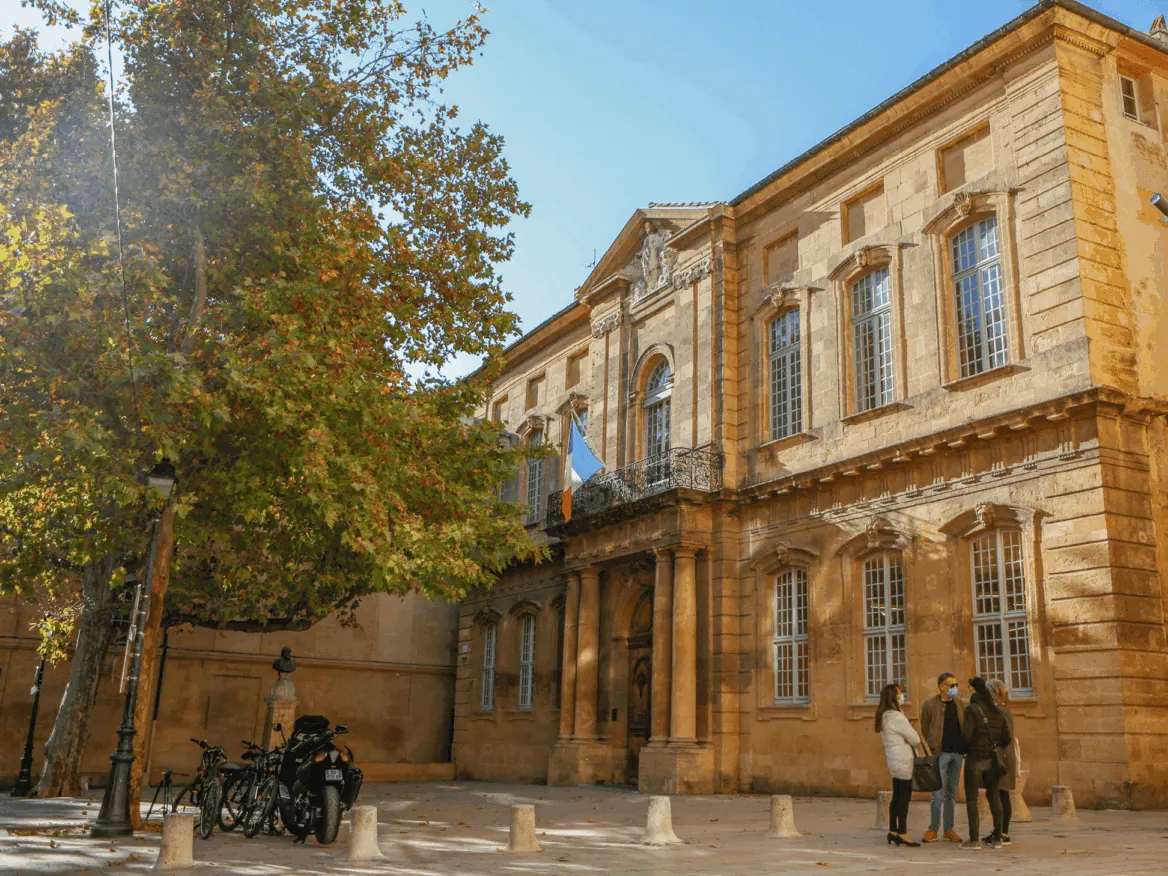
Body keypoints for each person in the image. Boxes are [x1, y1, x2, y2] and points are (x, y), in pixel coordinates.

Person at [960, 676, 1012, 850]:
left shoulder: (972, 710)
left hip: (975, 759)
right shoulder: (998, 711)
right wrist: (995, 747)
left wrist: (963, 749)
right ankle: (997, 838)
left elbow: (966, 736)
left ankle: (974, 840)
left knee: (972, 800)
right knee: (994, 796)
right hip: (992, 760)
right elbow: (1007, 737)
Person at [919, 671, 965, 843]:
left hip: (957, 754)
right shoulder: (930, 705)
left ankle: (949, 829)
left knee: (951, 794)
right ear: (941, 687)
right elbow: (925, 728)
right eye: (952, 685)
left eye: (956, 685)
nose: (955, 688)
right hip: (940, 754)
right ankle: (933, 829)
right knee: (937, 794)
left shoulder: (959, 703)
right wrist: (932, 749)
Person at [876, 683, 921, 847]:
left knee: (896, 795)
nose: (902, 696)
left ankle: (893, 830)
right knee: (904, 796)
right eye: (899, 693)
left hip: (893, 758)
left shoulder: (884, 715)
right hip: (903, 758)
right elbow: (915, 739)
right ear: (893, 697)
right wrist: (907, 737)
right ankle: (902, 832)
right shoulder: (897, 717)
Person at [984, 679, 1017, 845]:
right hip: (1002, 755)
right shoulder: (1002, 710)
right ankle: (1000, 831)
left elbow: (1005, 736)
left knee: (1000, 794)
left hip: (1000, 757)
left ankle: (1002, 833)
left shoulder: (999, 712)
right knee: (1000, 794)